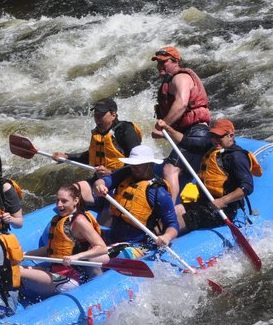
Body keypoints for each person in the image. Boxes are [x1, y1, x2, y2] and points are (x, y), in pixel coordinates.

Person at [161, 118, 263, 232]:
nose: (215, 140)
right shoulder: (212, 146)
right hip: (204, 203)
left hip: (223, 210)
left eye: (219, 136)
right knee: (173, 212)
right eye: (213, 136)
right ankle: (149, 239)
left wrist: (223, 201)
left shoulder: (237, 157)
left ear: (231, 136)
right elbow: (187, 142)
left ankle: (161, 240)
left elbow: (247, 187)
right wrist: (168, 128)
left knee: (178, 221)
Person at [21, 184, 108, 298]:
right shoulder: (58, 220)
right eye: (57, 200)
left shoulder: (79, 221)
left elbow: (102, 248)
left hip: (71, 279)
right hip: (56, 273)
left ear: (75, 201)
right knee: (18, 270)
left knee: (18, 271)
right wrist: (24, 255)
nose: (59, 205)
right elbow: (49, 249)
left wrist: (76, 257)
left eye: (64, 201)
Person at [149, 46, 211, 205]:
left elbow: (182, 104)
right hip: (187, 134)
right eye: (158, 63)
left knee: (170, 169)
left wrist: (161, 127)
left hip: (196, 133)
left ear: (175, 61)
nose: (160, 66)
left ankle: (170, 213)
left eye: (164, 62)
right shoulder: (170, 81)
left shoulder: (181, 78)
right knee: (179, 170)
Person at [51, 98, 142, 205]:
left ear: (113, 115)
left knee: (108, 211)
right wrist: (67, 156)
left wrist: (111, 173)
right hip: (99, 184)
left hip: (122, 183)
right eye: (95, 114)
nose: (97, 118)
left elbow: (138, 163)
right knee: (70, 193)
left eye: (101, 114)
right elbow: (91, 155)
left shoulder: (126, 131)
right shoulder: (99, 133)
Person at [93, 145, 179, 248]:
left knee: (102, 255)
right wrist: (99, 185)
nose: (134, 168)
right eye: (132, 164)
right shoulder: (126, 174)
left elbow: (172, 224)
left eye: (138, 165)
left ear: (150, 164)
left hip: (137, 244)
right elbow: (103, 181)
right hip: (113, 236)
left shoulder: (159, 193)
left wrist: (167, 236)